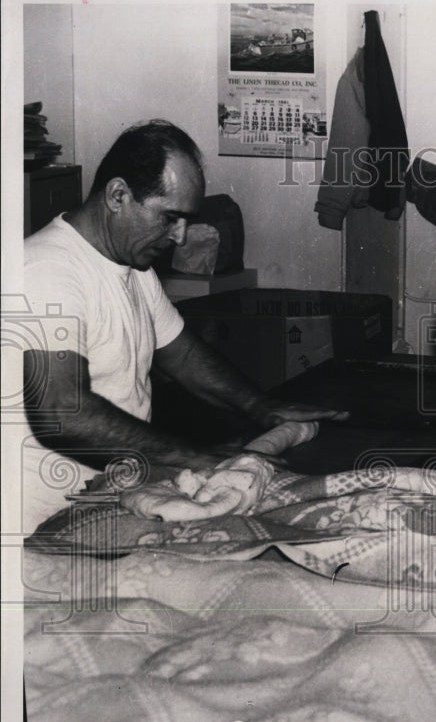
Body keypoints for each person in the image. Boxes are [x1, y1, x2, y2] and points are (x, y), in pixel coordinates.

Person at [20, 120, 346, 532]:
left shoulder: (134, 267)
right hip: (40, 521)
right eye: (170, 217)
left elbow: (183, 355)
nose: (179, 236)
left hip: (108, 497)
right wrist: (192, 456)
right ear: (118, 195)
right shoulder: (47, 269)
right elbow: (61, 413)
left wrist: (260, 406)